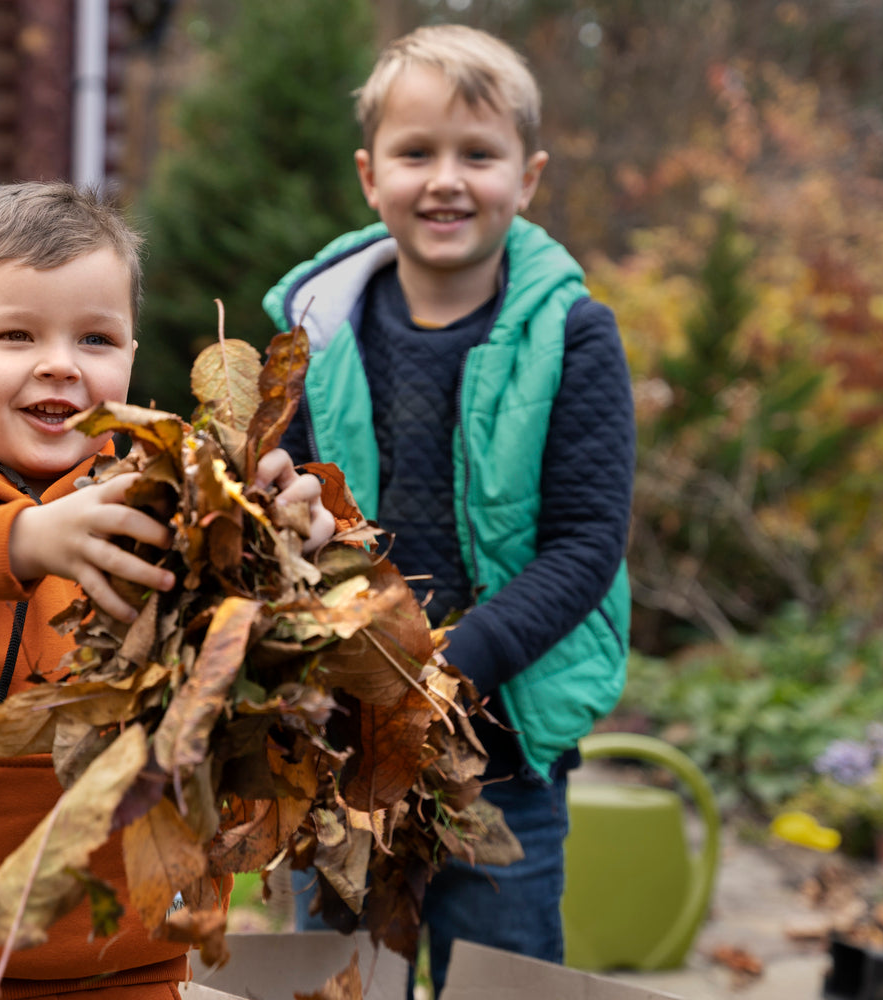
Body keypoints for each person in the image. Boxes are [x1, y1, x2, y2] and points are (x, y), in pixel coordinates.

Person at [0, 181, 334, 999]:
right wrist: (20, 540)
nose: (58, 362)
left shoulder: (167, 493)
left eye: (95, 338)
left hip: (134, 955)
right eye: (14, 334)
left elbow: (278, 627)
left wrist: (294, 531)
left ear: (130, 358)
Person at [262, 24, 634, 995]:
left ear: (530, 174)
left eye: (479, 153)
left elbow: (588, 541)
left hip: (500, 737)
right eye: (416, 152)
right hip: (345, 730)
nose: (446, 180)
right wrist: (278, 510)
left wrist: (454, 665)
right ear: (368, 174)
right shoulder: (315, 328)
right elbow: (285, 486)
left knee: (498, 977)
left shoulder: (573, 335)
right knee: (335, 974)